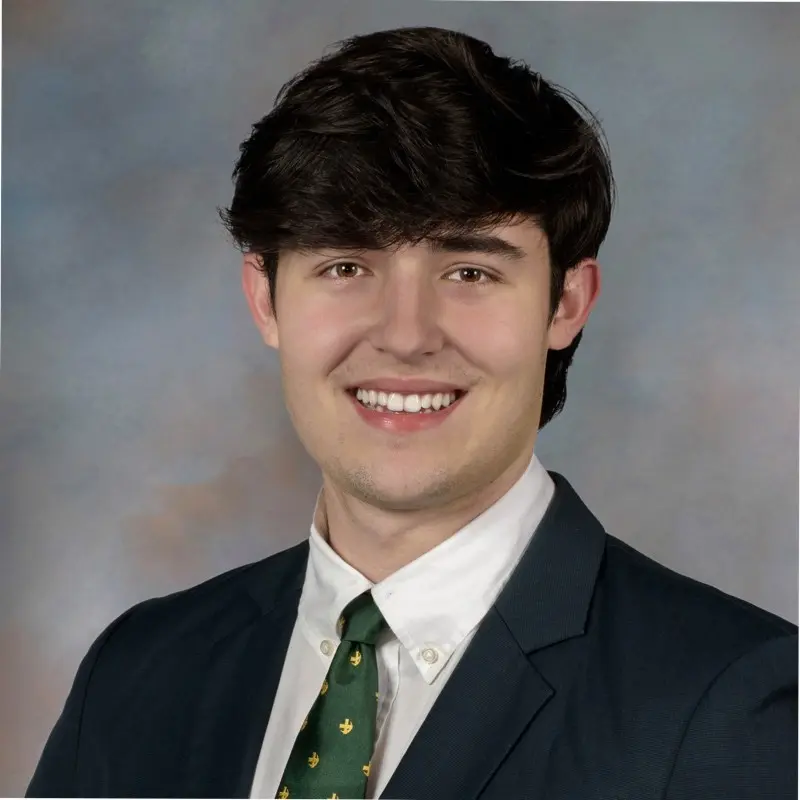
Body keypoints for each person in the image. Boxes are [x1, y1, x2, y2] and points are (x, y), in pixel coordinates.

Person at [28, 26, 796, 800]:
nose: (405, 335)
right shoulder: (137, 677)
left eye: (468, 270)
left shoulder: (733, 711)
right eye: (346, 266)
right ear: (265, 299)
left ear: (566, 302)